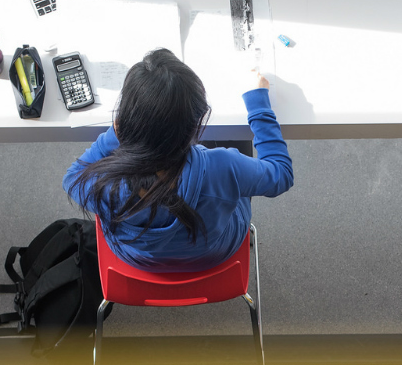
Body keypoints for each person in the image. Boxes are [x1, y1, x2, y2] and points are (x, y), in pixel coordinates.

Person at [63, 48, 293, 273]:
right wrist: (259, 105)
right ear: (196, 124)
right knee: (238, 160)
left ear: (124, 121)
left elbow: (71, 178)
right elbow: (281, 174)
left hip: (137, 259)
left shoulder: (105, 188)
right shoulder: (223, 166)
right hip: (214, 252)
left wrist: (117, 135)